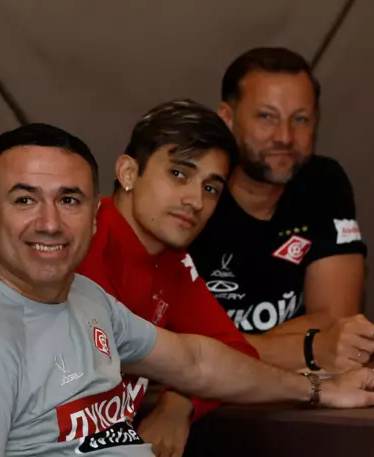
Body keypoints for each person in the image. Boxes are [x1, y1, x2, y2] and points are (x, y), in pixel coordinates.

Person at [0, 123, 374, 457]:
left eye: (69, 200)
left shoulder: (84, 297)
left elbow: (198, 363)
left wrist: (321, 389)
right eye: (24, 200)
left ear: (94, 214)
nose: (50, 223)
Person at [76, 99, 259, 456]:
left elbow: (235, 355)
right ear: (128, 173)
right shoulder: (83, 240)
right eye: (179, 174)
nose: (195, 200)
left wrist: (180, 403)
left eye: (210, 188)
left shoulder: (171, 256)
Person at [188, 47, 374, 375]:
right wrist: (305, 348)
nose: (285, 137)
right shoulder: (191, 187)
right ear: (227, 118)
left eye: (300, 119)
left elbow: (336, 320)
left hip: (287, 388)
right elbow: (168, 342)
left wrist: (225, 353)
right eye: (266, 116)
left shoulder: (323, 182)